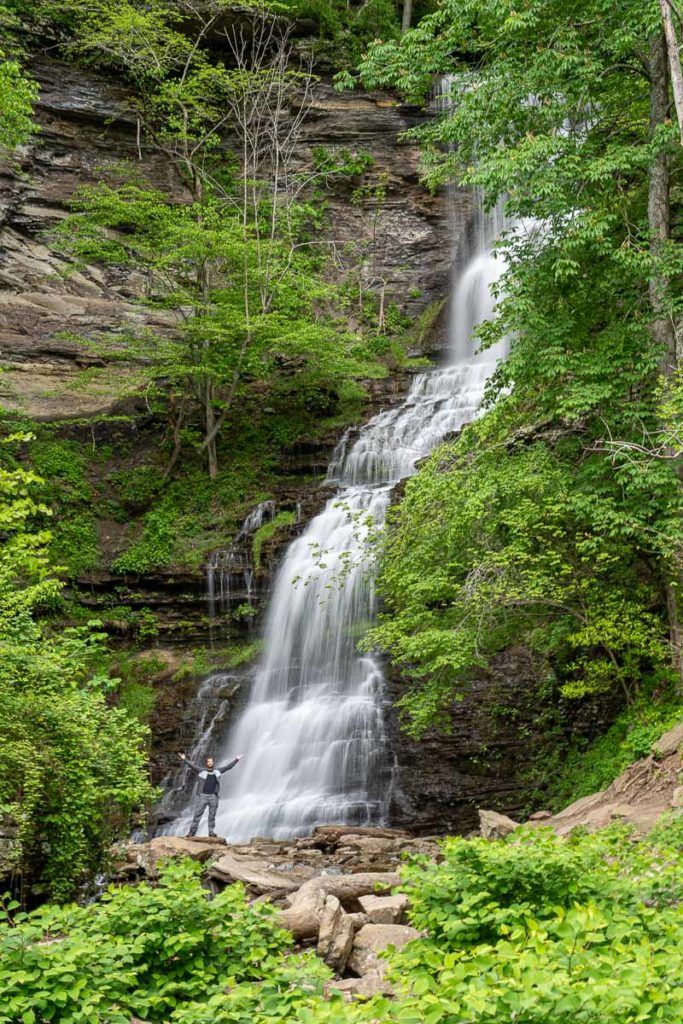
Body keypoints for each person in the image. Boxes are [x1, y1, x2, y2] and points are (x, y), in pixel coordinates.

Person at [179, 751, 243, 837]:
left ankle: (211, 832)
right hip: (203, 796)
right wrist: (184, 759)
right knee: (197, 814)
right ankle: (192, 832)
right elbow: (192, 766)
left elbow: (228, 767)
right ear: (206, 763)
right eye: (208, 762)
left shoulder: (218, 771)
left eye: (211, 761)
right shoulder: (201, 771)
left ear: (213, 762)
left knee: (212, 816)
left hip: (213, 796)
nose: (210, 763)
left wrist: (237, 759)